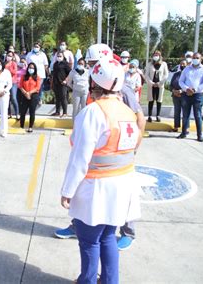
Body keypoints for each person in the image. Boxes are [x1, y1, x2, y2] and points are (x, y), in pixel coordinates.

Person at [61, 56, 142, 284]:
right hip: (121, 186)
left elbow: (80, 158)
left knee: (89, 242)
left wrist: (67, 190)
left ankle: (86, 281)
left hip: (95, 188)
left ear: (94, 84)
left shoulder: (92, 112)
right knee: (108, 237)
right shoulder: (127, 112)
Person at [178, 52, 203, 142]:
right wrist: (186, 89)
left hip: (198, 95)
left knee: (198, 115)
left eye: (197, 57)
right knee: (185, 115)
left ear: (201, 59)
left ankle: (199, 135)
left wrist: (194, 90)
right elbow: (181, 81)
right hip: (186, 94)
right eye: (194, 57)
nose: (195, 59)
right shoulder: (186, 69)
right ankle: (184, 132)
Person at [145, 50, 169, 122]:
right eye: (155, 55)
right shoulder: (149, 64)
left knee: (159, 100)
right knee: (151, 100)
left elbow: (166, 74)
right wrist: (151, 83)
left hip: (160, 85)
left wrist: (159, 83)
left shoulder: (164, 64)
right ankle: (149, 116)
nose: (156, 56)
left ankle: (158, 115)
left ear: (160, 56)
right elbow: (146, 75)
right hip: (151, 85)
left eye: (157, 55)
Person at [19, 62, 41, 132]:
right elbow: (20, 86)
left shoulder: (37, 77)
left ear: (35, 69)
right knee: (23, 112)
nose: (31, 69)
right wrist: (26, 93)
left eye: (32, 68)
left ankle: (30, 127)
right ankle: (21, 126)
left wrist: (29, 93)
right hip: (24, 95)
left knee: (32, 111)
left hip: (33, 95)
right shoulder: (24, 76)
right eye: (29, 68)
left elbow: (37, 87)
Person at [170, 60, 188, 132]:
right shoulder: (176, 74)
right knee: (177, 111)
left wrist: (181, 91)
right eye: (181, 64)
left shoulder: (188, 75)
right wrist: (174, 91)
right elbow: (171, 85)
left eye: (184, 64)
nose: (182, 65)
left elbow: (189, 85)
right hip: (175, 96)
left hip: (185, 95)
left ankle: (185, 127)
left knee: (185, 112)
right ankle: (176, 126)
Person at [52, 52, 71, 118]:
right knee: (57, 98)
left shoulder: (65, 64)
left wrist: (66, 80)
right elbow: (53, 74)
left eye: (60, 56)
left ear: (63, 57)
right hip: (56, 83)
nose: (59, 57)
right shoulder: (55, 64)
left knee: (63, 97)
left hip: (63, 83)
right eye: (58, 56)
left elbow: (70, 73)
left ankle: (65, 112)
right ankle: (57, 112)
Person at [5, 51, 19, 120]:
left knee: (13, 98)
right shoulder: (4, 63)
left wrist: (8, 68)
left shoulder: (14, 63)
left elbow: (15, 72)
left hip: (13, 82)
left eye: (10, 56)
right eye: (8, 55)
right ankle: (8, 113)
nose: (9, 57)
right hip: (5, 83)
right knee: (7, 98)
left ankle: (17, 113)